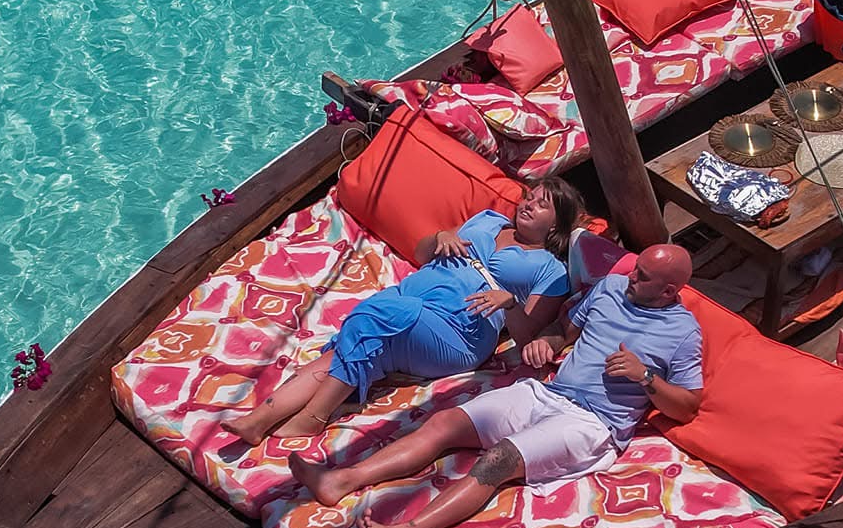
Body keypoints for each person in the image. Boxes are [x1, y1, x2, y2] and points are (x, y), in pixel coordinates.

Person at [291, 244, 703, 528]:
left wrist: (646, 378)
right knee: (444, 422)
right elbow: (566, 329)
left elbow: (687, 407)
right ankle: (340, 481)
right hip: (549, 392)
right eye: (635, 269)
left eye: (642, 278)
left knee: (499, 459)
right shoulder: (610, 287)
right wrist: (548, 342)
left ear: (669, 290)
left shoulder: (683, 333)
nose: (630, 278)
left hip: (594, 424)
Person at [219, 178, 582, 444]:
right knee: (353, 345)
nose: (528, 204)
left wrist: (510, 303)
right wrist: (439, 237)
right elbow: (424, 253)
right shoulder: (487, 220)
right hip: (405, 305)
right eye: (529, 196)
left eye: (541, 204)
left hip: (457, 333)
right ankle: (259, 420)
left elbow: (528, 339)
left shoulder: (551, 270)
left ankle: (314, 416)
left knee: (374, 317)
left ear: (556, 225)